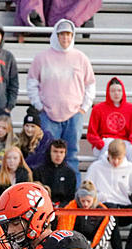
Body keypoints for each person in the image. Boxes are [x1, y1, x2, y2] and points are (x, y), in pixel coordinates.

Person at [27, 19, 95, 178]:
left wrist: (84, 108)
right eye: (62, 34)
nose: (65, 38)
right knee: (46, 153)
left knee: (71, 154)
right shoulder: (42, 58)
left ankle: (72, 194)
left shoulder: (81, 58)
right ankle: (48, 190)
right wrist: (39, 105)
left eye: (69, 35)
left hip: (74, 115)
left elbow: (90, 85)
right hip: (48, 115)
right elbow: (32, 82)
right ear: (55, 35)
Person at [87, 77, 132, 169]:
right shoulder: (98, 108)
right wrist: (99, 143)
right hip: (105, 141)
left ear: (123, 92)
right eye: (113, 91)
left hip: (124, 142)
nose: (116, 93)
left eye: (119, 90)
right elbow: (91, 133)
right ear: (108, 92)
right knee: (107, 149)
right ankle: (103, 179)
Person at [84, 138, 132, 209]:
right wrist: (101, 197)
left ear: (124, 155)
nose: (116, 162)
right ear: (108, 154)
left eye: (119, 159)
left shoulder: (130, 167)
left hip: (123, 205)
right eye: (113, 158)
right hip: (103, 206)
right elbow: (86, 189)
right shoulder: (95, 167)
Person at [33, 139, 78, 207]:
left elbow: (70, 198)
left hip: (63, 210)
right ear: (49, 152)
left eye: (61, 152)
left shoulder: (70, 174)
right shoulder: (38, 171)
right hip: (42, 207)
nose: (58, 155)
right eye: (55, 151)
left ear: (65, 154)